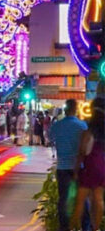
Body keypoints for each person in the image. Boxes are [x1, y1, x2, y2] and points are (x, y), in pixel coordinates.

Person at [51, 99, 88, 231]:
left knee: (63, 199)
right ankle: (86, 226)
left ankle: (64, 227)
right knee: (82, 198)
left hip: (62, 167)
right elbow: (86, 147)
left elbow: (51, 140)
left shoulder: (56, 125)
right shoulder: (82, 126)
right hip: (79, 167)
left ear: (65, 110)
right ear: (76, 109)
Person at [72, 99, 105, 231]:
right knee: (98, 198)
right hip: (103, 167)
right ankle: (96, 228)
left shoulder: (89, 129)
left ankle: (76, 228)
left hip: (90, 166)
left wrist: (76, 170)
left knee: (80, 199)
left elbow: (82, 150)